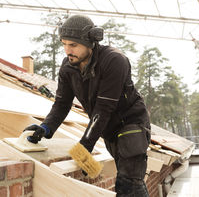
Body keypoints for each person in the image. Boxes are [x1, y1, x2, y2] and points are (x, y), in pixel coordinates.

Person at [24, 14, 151, 196]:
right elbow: (62, 104)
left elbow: (103, 109)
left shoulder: (114, 61)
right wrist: (46, 128)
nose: (68, 51)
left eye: (73, 45)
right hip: (109, 130)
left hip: (131, 125)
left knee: (128, 183)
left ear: (90, 42)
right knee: (128, 180)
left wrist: (85, 146)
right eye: (64, 44)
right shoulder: (68, 68)